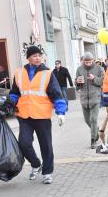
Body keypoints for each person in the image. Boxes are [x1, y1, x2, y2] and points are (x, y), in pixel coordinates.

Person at [7, 46, 67, 184]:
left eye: (39, 55)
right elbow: (15, 93)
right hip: (24, 115)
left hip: (42, 116)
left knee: (46, 145)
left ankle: (47, 172)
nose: (38, 58)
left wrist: (61, 112)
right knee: (24, 143)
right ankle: (35, 164)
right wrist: (9, 104)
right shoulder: (19, 73)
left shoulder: (47, 74)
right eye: (34, 55)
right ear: (28, 58)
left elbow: (57, 94)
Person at [75, 52, 105, 149]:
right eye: (86, 62)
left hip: (95, 97)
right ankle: (95, 130)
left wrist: (94, 78)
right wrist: (77, 82)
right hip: (84, 98)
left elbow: (104, 81)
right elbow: (77, 85)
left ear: (93, 60)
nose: (87, 63)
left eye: (89, 62)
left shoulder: (99, 68)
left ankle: (93, 139)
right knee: (87, 120)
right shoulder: (79, 69)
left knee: (93, 119)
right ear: (83, 61)